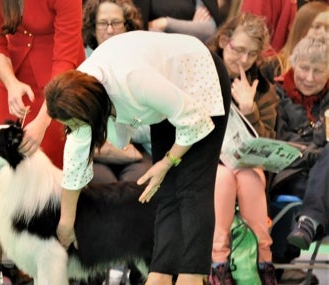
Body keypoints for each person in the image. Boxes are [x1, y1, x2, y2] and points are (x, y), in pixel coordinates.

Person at [45, 31, 231, 285]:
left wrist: (167, 162)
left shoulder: (133, 81)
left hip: (198, 78)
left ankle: (192, 277)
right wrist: (66, 222)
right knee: (165, 190)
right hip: (165, 91)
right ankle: (160, 275)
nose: (75, 129)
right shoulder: (78, 94)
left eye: (76, 123)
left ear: (91, 111)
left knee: (191, 187)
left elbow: (194, 120)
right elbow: (75, 161)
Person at [0, 0, 85, 284]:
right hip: (13, 80)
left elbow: (67, 52)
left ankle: (49, 275)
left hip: (61, 84)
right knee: (2, 180)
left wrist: (45, 118)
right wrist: (10, 83)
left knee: (55, 186)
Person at [205, 12, 279, 285]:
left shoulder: (263, 88)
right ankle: (219, 262)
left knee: (247, 178)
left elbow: (267, 141)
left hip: (248, 166)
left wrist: (251, 111)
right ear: (225, 41)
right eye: (239, 50)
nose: (244, 60)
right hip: (209, 164)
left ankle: (264, 260)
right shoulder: (204, 73)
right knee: (223, 178)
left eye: (252, 54)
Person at [82, 0, 152, 187]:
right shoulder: (81, 64)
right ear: (92, 27)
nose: (110, 30)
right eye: (103, 23)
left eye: (116, 23)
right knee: (99, 182)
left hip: (136, 149)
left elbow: (150, 120)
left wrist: (127, 130)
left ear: (127, 26)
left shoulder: (142, 64)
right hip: (94, 148)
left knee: (138, 182)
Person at [270, 35, 329, 252]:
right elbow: (282, 148)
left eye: (319, 70)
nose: (310, 78)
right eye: (304, 68)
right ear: (293, 65)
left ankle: (307, 222)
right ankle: (309, 221)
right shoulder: (276, 95)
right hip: (290, 176)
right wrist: (320, 153)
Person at [262, 0, 329, 82]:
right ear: (301, 29)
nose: (323, 34)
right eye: (317, 27)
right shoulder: (274, 67)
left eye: (327, 29)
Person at [133, 0, 221, 42]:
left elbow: (208, 30)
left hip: (183, 56)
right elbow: (135, 25)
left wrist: (165, 23)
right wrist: (190, 28)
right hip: (147, 46)